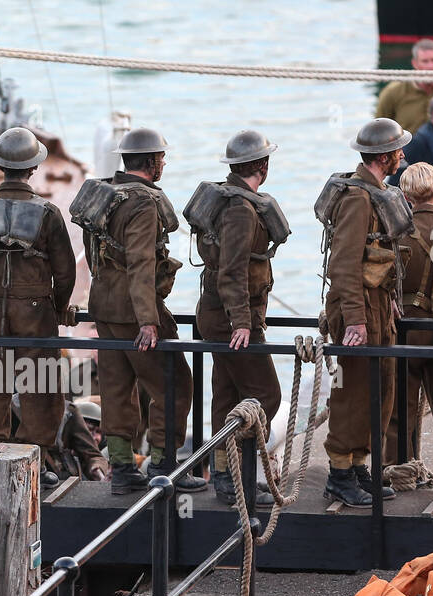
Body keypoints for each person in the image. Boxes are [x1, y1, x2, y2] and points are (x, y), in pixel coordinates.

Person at [80, 127, 205, 494]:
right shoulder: (144, 203)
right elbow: (140, 264)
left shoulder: (104, 195)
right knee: (174, 385)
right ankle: (164, 467)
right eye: (161, 158)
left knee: (117, 388)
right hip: (135, 313)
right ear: (151, 162)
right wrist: (148, 321)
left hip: (103, 308)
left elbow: (93, 255)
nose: (163, 163)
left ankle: (122, 469)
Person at [0, 127, 78, 489]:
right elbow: (65, 271)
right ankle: (34, 461)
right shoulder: (48, 212)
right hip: (36, 312)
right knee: (39, 386)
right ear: (33, 167)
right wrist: (57, 308)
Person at [317, 119, 413, 507]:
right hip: (358, 309)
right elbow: (343, 264)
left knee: (379, 389)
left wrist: (388, 299)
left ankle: (357, 464)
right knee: (353, 391)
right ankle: (339, 473)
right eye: (398, 150)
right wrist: (355, 320)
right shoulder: (357, 199)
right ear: (385, 157)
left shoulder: (376, 193)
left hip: (377, 305)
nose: (402, 155)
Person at [190, 129, 286, 507]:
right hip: (231, 321)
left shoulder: (230, 200)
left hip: (218, 317)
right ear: (263, 165)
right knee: (265, 394)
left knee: (227, 396)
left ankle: (227, 477)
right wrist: (243, 322)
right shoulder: (241, 210)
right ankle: (238, 474)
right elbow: (232, 271)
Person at [382, 162, 433, 483]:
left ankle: (398, 472)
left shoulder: (395, 232)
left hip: (406, 333)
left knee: (399, 411)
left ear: (405, 197)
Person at [376, 39, 433, 134]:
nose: (430, 67)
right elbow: (379, 129)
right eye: (425, 61)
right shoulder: (393, 92)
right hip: (406, 143)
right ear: (415, 63)